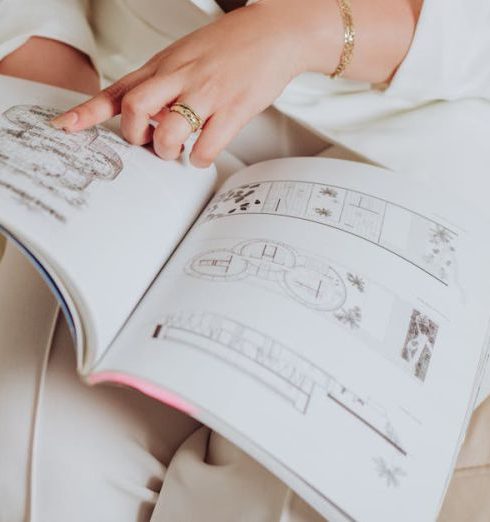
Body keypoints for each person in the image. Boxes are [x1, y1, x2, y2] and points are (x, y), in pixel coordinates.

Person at [0, 1, 490, 521]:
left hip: (421, 122)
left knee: (294, 473)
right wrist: (47, 70)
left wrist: (306, 30)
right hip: (139, 95)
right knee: (35, 457)